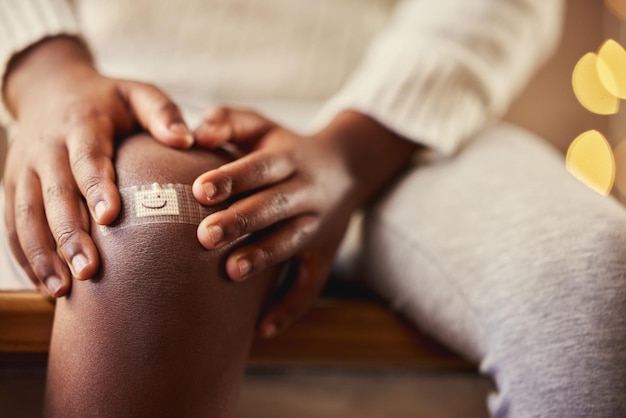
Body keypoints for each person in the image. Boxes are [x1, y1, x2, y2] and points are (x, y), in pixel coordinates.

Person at [1, 0, 626, 417]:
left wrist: (354, 149)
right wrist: (44, 70)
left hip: (405, 119)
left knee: (594, 274)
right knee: (147, 229)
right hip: (119, 94)